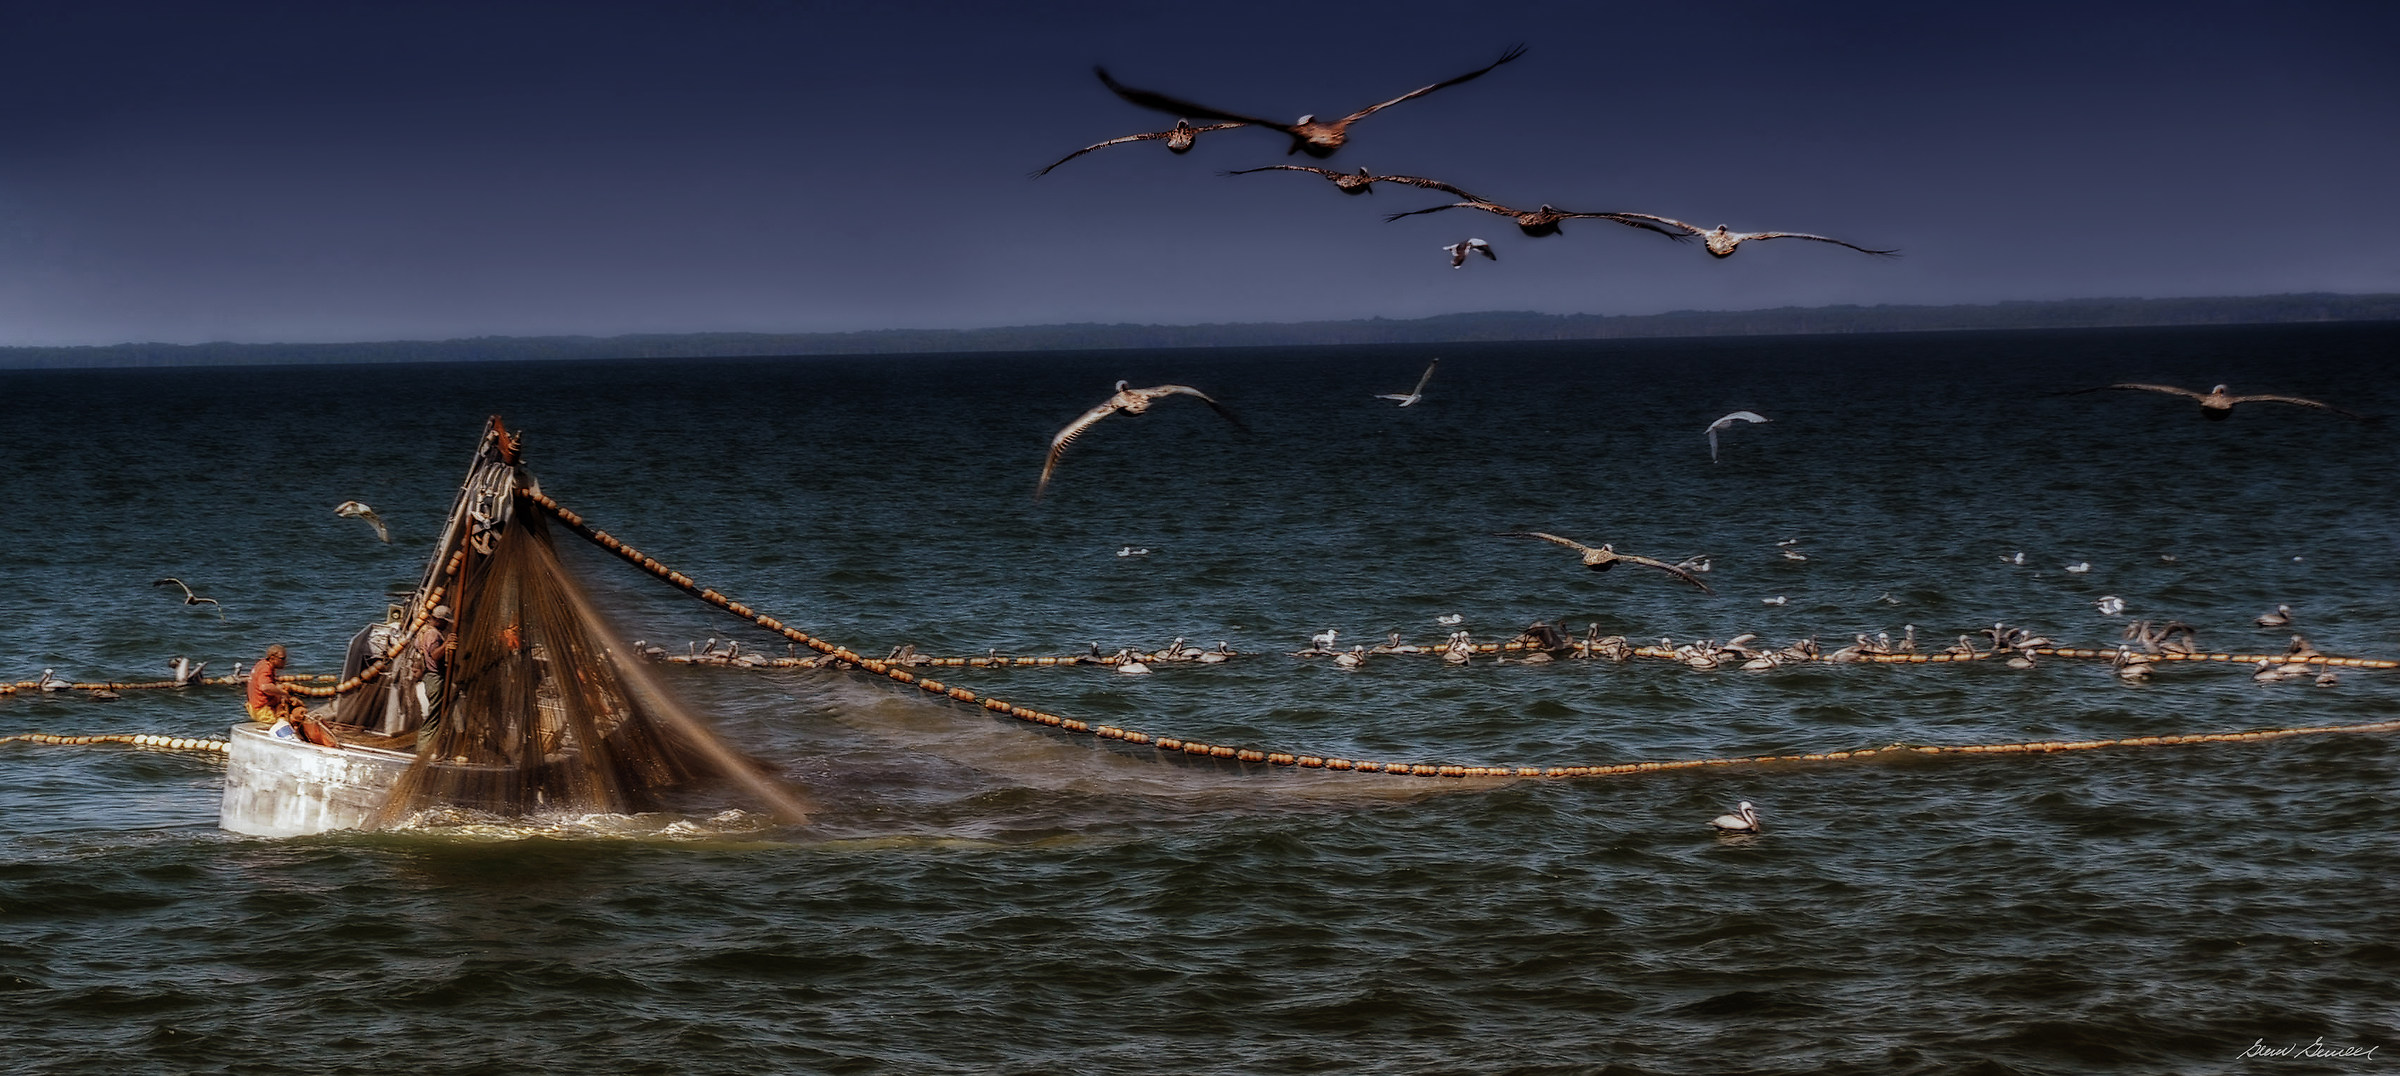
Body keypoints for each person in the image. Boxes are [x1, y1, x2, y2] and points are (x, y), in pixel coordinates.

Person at [411, 605, 452, 743]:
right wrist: (447, 643)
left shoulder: (423, 630)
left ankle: (431, 747)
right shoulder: (433, 634)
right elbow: (434, 655)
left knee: (434, 713)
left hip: (428, 677)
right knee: (433, 717)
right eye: (445, 621)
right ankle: (423, 750)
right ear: (439, 620)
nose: (446, 625)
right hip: (435, 677)